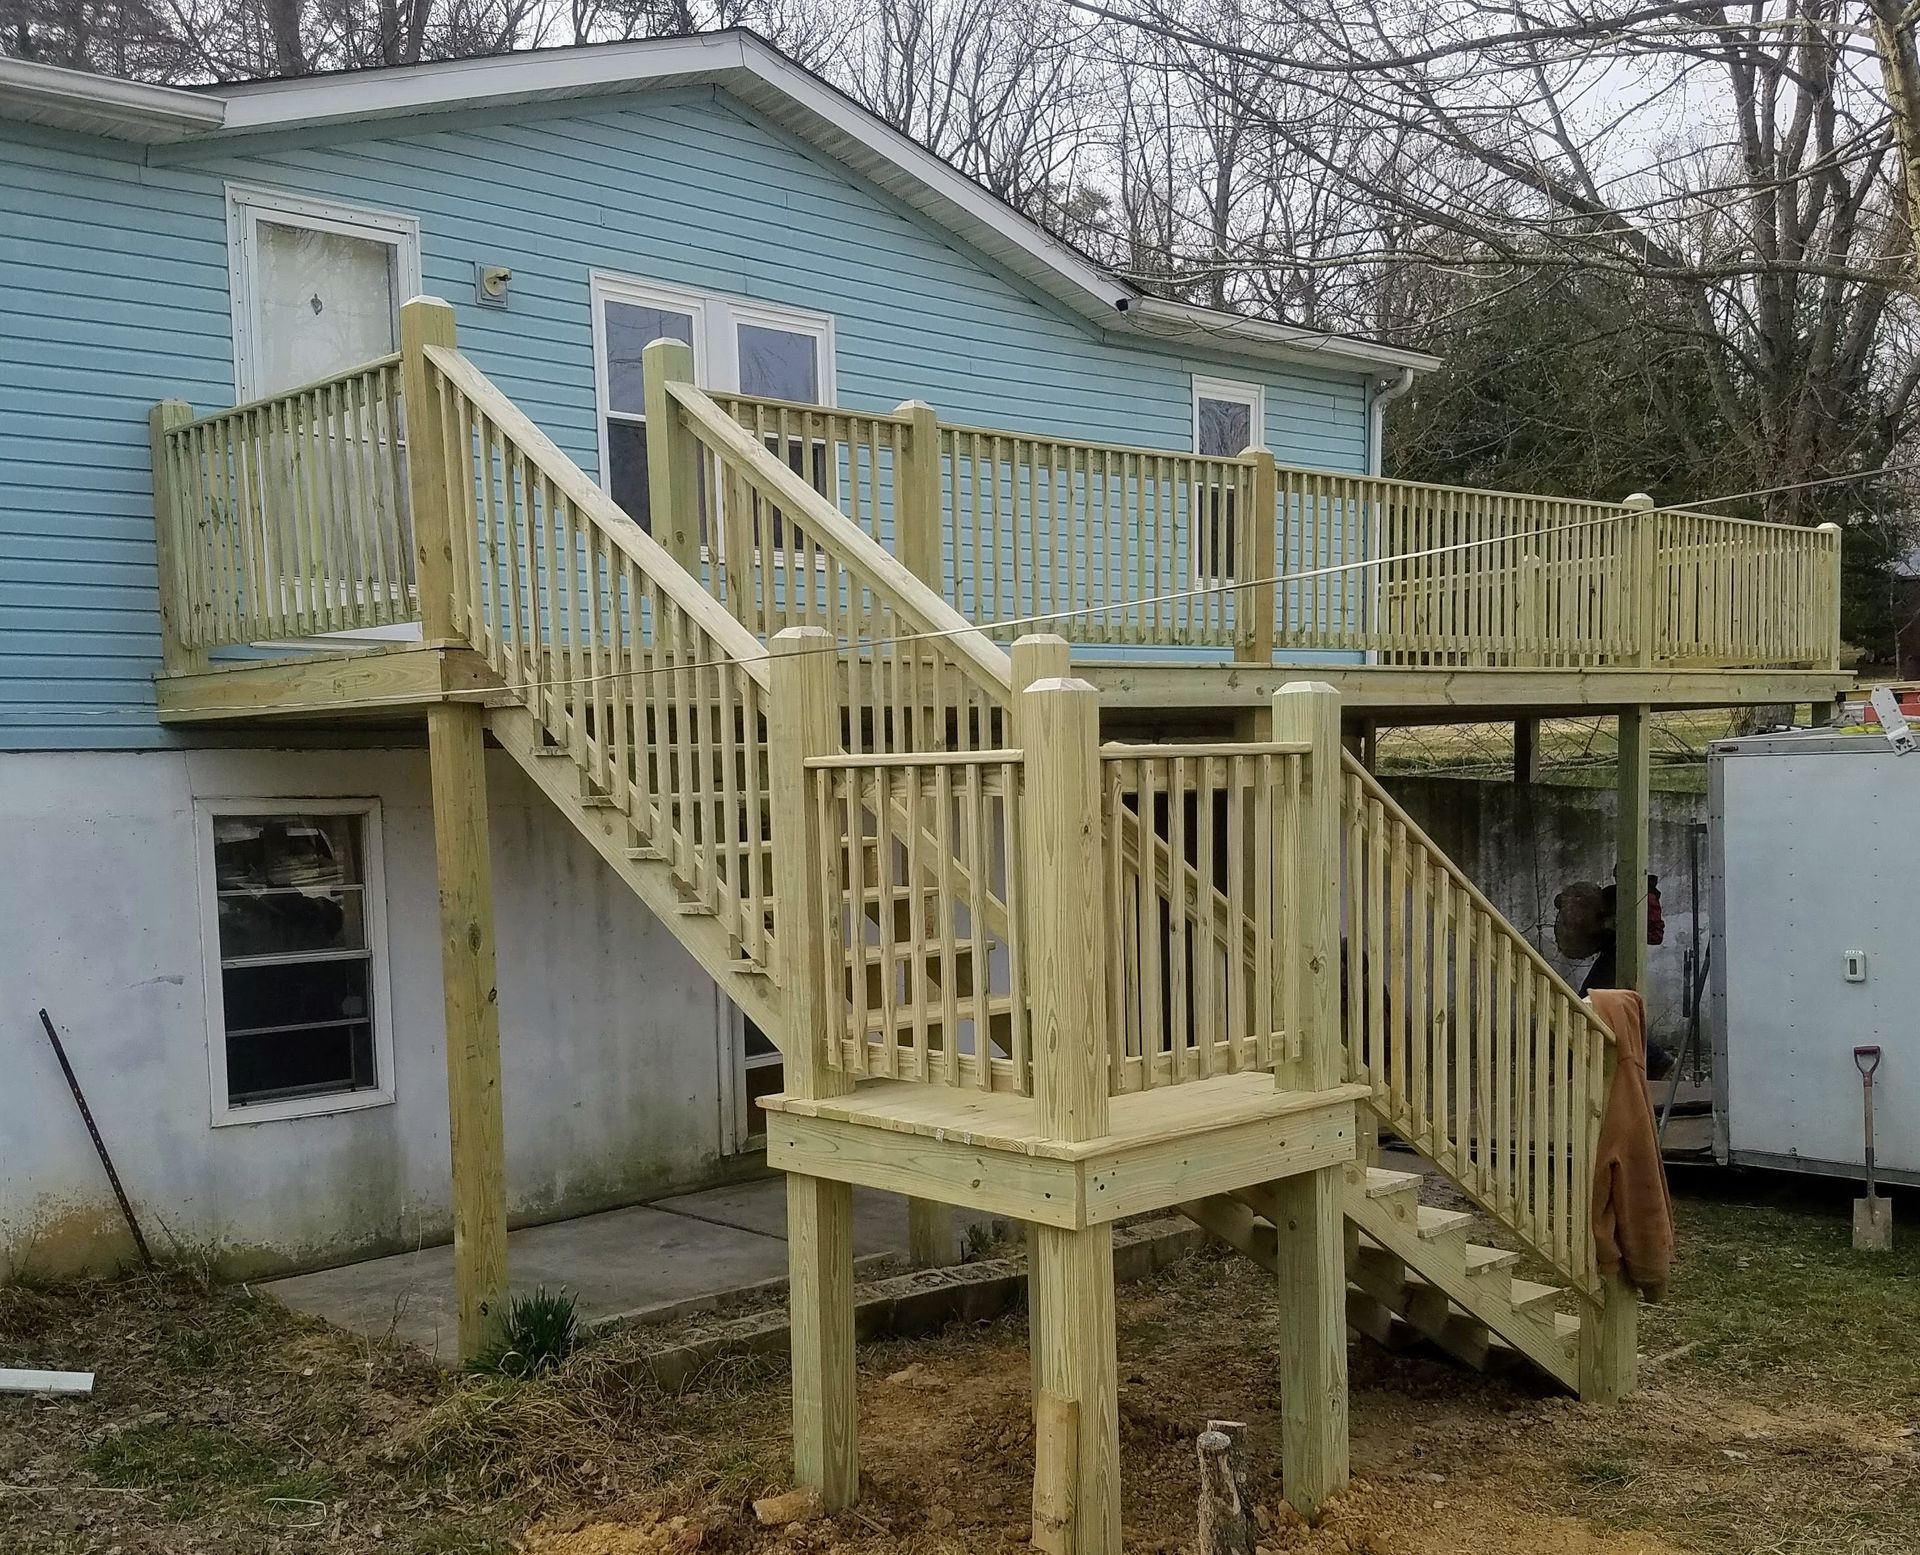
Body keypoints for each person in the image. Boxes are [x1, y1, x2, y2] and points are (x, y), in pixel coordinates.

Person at [1553, 874, 1675, 1079]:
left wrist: (1621, 928)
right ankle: (1654, 1059)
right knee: (1597, 1007)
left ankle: (1655, 1058)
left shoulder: (1647, 897)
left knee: (1591, 1004)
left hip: (1624, 957)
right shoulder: (1617, 893)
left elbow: (1656, 935)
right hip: (1614, 953)